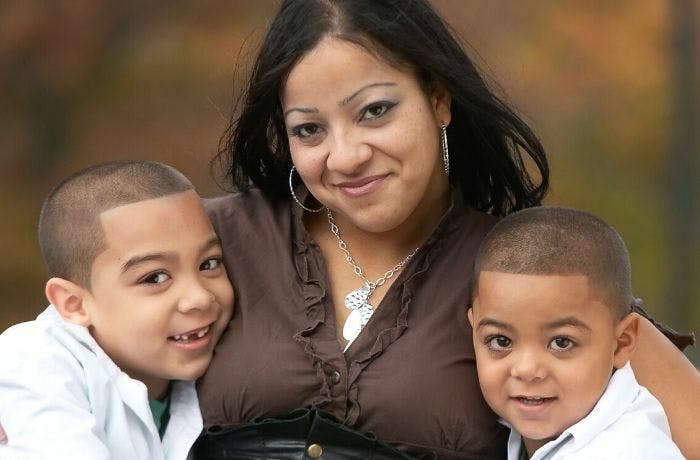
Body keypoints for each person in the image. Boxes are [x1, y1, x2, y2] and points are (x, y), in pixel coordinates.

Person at [191, 1, 699, 459]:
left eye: (375, 111)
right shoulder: (209, 241)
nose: (345, 156)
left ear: (438, 98)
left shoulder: (525, 268)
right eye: (309, 129)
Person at [0, 160, 234, 459]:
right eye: (155, 278)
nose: (199, 298)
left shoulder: (213, 365)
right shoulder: (32, 363)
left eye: (209, 263)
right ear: (74, 304)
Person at [467, 206, 683, 459]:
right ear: (473, 330)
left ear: (622, 343)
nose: (526, 370)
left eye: (561, 342)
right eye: (501, 341)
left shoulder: (631, 451)